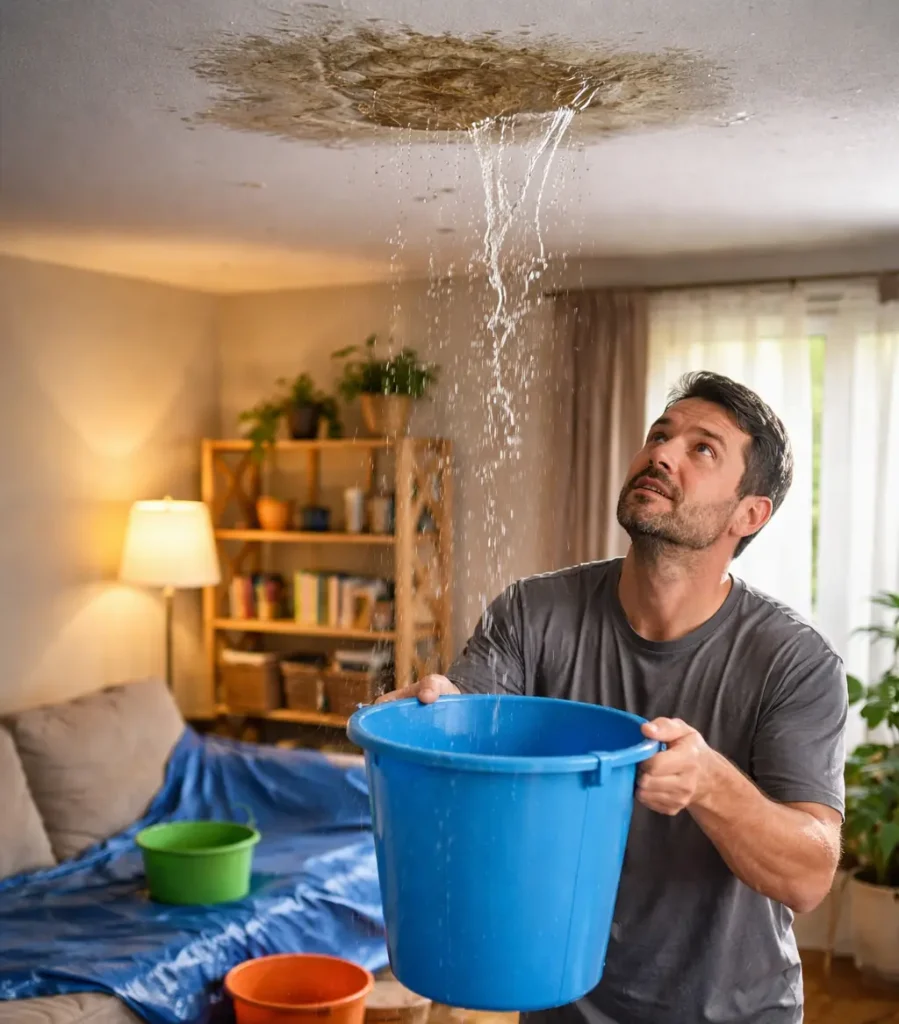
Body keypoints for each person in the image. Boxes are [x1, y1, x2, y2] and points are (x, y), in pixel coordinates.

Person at [377, 371, 847, 1024]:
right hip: (557, 998)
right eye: (659, 434)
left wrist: (710, 783)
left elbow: (809, 876)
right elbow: (469, 735)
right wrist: (430, 717)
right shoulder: (532, 612)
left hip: (733, 1012)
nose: (661, 453)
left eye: (701, 448)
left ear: (749, 514)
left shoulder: (794, 661)